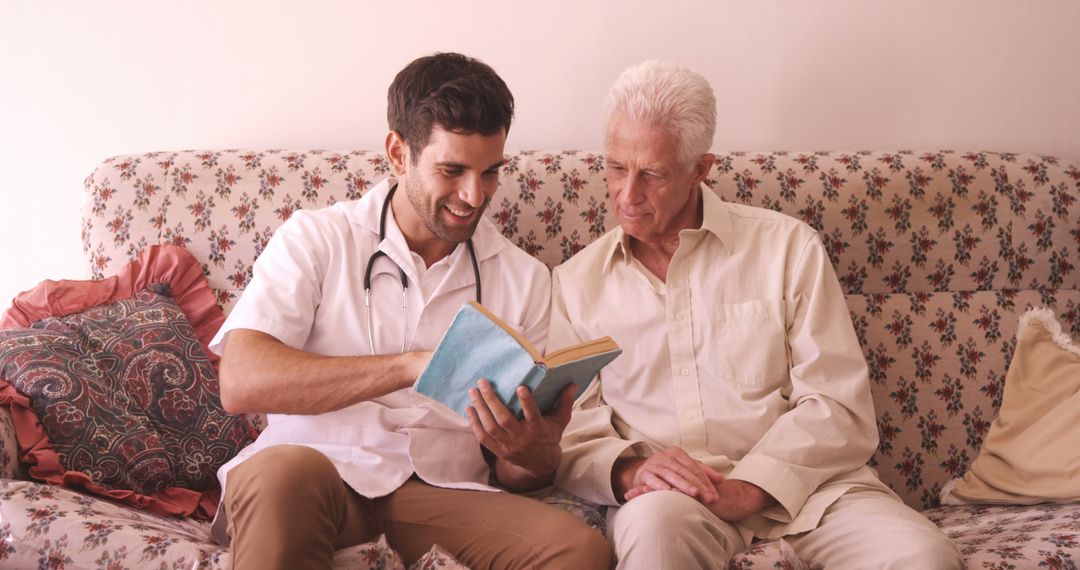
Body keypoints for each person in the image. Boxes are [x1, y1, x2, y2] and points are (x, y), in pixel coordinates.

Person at [547, 60, 964, 568]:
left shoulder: (789, 248)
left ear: (701, 169)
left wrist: (749, 486)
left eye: (653, 174)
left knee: (923, 556)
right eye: (616, 167)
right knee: (653, 538)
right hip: (669, 502)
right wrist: (632, 473)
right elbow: (573, 431)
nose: (627, 195)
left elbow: (838, 403)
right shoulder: (572, 284)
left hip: (814, 491)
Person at [208, 52, 609, 570]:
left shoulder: (522, 278)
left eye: (490, 173)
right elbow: (241, 381)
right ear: (398, 152)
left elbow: (519, 475)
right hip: (313, 475)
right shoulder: (317, 238)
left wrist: (528, 454)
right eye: (452, 170)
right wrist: (408, 366)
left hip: (441, 491)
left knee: (578, 550)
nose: (474, 195)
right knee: (280, 474)